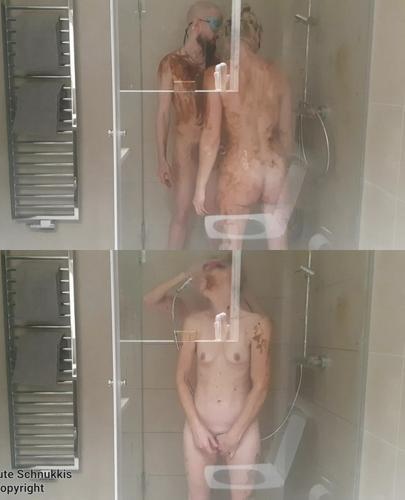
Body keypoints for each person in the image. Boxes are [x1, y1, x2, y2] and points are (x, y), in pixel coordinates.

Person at [144, 258, 271, 500]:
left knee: (242, 497)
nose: (208, 272)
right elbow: (181, 378)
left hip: (242, 428)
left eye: (217, 268)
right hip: (199, 426)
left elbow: (261, 385)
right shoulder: (194, 322)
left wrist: (236, 433)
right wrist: (196, 426)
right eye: (207, 270)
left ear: (233, 277)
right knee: (197, 496)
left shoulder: (256, 324)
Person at [193, 6, 293, 250]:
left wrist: (200, 187)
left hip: (241, 168)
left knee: (231, 247)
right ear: (256, 36)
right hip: (274, 168)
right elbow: (287, 135)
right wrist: (283, 171)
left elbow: (211, 135)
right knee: (278, 246)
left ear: (227, 39)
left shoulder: (217, 75)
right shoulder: (279, 75)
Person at [156, 1, 223, 249]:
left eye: (220, 24)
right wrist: (161, 159)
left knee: (214, 214)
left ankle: (219, 263)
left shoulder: (218, 66)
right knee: (182, 213)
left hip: (212, 151)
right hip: (184, 151)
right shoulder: (171, 64)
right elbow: (163, 113)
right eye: (214, 24)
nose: (218, 31)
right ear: (195, 25)